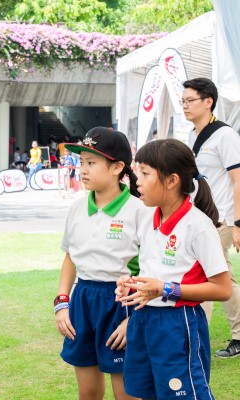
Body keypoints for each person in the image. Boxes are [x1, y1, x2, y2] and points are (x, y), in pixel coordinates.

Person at [116, 138, 232, 399]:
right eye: (138, 172)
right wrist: (134, 283)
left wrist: (164, 289)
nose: (138, 181)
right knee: (140, 392)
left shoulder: (198, 226)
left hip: (178, 325)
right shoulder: (148, 218)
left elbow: (222, 289)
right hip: (143, 319)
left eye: (145, 173)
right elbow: (155, 272)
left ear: (172, 180)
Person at [55, 127, 144, 400]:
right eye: (81, 162)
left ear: (117, 167)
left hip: (123, 302)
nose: (82, 169)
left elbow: (151, 270)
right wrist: (62, 302)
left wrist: (134, 321)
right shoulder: (77, 208)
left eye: (91, 163)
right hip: (83, 299)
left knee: (126, 393)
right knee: (88, 392)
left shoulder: (139, 211)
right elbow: (70, 256)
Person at [182, 77, 240, 359]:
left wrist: (238, 224)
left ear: (209, 101)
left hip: (224, 219)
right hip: (202, 218)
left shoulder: (225, 135)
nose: (184, 106)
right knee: (219, 275)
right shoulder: (192, 135)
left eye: (190, 100)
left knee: (211, 274)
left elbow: (238, 180)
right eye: (183, 101)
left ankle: (202, 335)